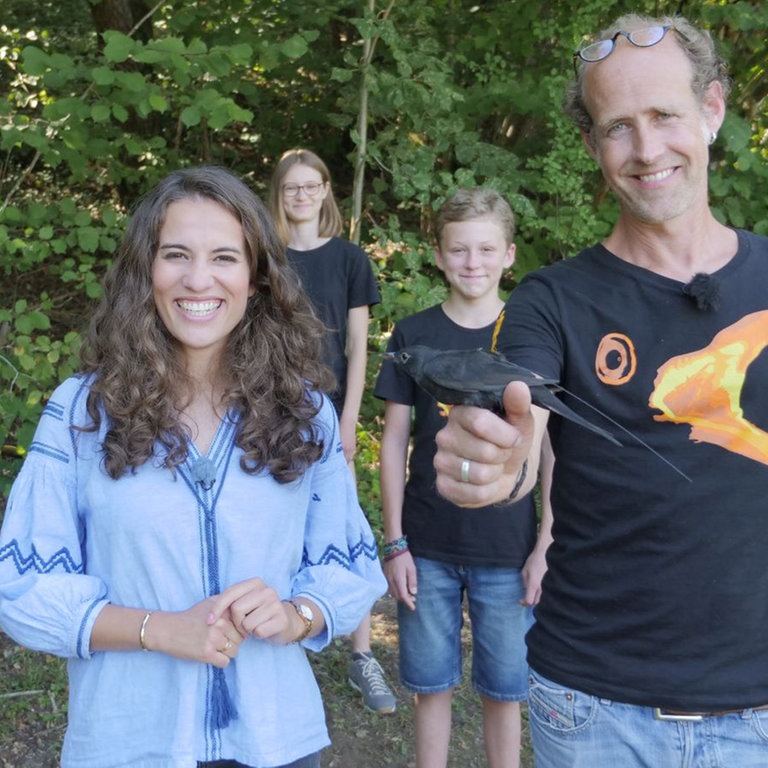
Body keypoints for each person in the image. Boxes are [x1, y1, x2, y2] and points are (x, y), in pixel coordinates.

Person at [432, 13, 768, 768]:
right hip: (594, 713)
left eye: (664, 116)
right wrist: (496, 458)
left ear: (712, 110)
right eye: (618, 127)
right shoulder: (552, 301)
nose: (646, 150)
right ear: (590, 144)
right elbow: (520, 408)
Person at [0, 166, 387, 768]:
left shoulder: (305, 411)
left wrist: (297, 616)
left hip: (275, 742)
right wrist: (157, 629)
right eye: (176, 254)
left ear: (256, 279)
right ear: (145, 271)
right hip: (131, 744)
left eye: (224, 257)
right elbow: (22, 588)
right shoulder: (82, 411)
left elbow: (349, 565)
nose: (198, 278)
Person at [375, 188, 553, 768]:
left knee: (506, 690)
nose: (472, 262)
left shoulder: (532, 336)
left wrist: (546, 545)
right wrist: (395, 543)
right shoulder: (414, 335)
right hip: (426, 545)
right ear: (438, 254)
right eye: (458, 249)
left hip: (508, 548)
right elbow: (395, 441)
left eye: (486, 249)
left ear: (509, 255)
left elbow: (550, 448)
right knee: (431, 686)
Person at [268, 148, 396, 714]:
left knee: (344, 528)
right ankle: (276, 636)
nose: (301, 195)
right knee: (273, 524)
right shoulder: (266, 256)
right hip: (270, 407)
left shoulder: (349, 258)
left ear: (325, 191)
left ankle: (362, 654)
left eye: (310, 185)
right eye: (291, 187)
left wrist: (348, 422)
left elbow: (359, 347)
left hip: (332, 410)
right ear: (279, 194)